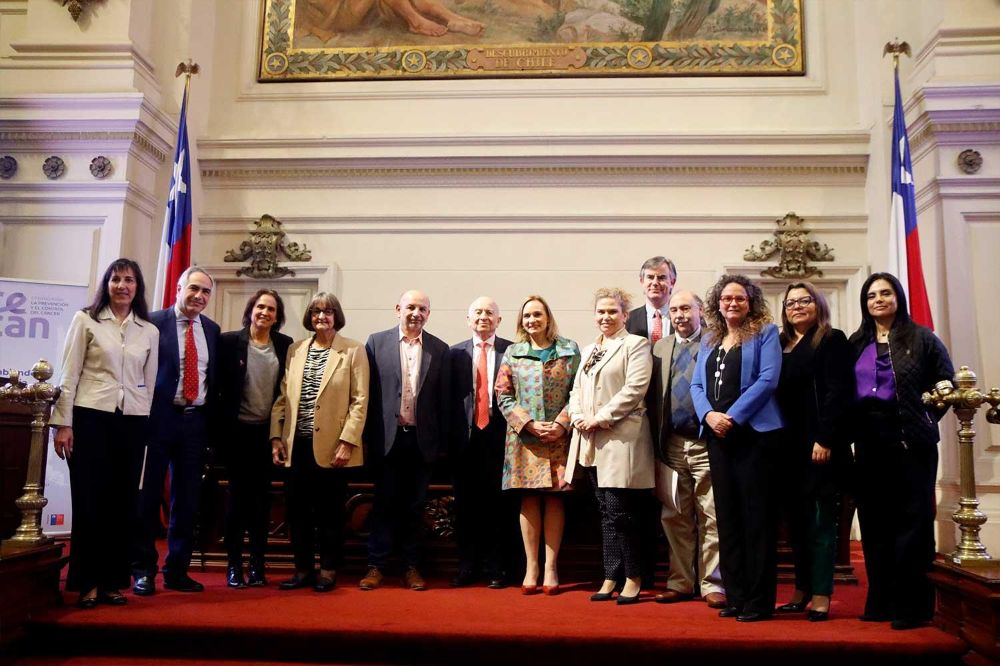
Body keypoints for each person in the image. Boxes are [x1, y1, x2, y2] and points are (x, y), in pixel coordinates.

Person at [51, 258, 158, 608]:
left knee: (122, 504)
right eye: (116, 279)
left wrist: (146, 421)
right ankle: (87, 582)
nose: (122, 286)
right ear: (106, 284)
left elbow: (150, 382)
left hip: (132, 422)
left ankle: (113, 581)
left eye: (129, 280)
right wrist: (63, 423)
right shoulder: (86, 320)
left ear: (138, 287)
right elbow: (69, 374)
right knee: (90, 502)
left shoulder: (149, 330)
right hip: (90, 417)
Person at [849, 272, 953, 630]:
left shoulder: (922, 338)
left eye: (886, 293)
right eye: (872, 295)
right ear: (865, 303)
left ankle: (913, 607)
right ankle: (880, 602)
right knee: (876, 523)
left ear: (898, 298)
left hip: (911, 441)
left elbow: (947, 384)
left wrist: (926, 417)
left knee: (912, 522)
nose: (878, 299)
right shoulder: (857, 342)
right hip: (868, 441)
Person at [690, 274, 783, 622]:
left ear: (750, 302)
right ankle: (736, 596)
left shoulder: (765, 332)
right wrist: (710, 416)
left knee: (755, 521)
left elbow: (768, 380)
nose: (732, 303)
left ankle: (758, 603)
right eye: (727, 298)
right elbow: (697, 384)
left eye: (740, 298)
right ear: (717, 303)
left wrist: (732, 416)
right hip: (719, 438)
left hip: (755, 437)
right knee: (727, 519)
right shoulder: (710, 337)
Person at [270, 292, 369, 592]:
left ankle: (327, 569)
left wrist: (347, 441)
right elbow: (282, 397)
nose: (321, 317)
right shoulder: (296, 350)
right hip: (296, 446)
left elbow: (360, 400)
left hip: (333, 447)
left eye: (327, 312)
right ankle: (302, 570)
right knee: (297, 512)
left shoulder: (353, 350)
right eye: (315, 312)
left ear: (336, 315)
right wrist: (277, 435)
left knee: (330, 513)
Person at [132, 266, 220, 596]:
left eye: (206, 292)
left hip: (195, 422)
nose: (199, 296)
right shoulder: (152, 323)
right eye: (194, 288)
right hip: (158, 419)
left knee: (187, 500)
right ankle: (142, 569)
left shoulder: (211, 330)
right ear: (179, 288)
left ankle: (177, 570)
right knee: (148, 496)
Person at [567, 288, 654, 605]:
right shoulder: (590, 349)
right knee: (605, 512)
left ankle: (634, 575)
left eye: (612, 312)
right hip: (590, 440)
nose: (606, 317)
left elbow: (634, 390)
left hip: (620, 438)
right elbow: (577, 389)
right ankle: (610, 574)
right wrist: (577, 415)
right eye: (601, 312)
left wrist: (600, 418)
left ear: (625, 315)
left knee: (622, 513)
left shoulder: (635, 344)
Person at [774, 282, 854, 622]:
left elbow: (839, 392)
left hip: (819, 447)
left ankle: (822, 593)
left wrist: (826, 439)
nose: (797, 307)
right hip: (785, 449)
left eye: (804, 300)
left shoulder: (831, 339)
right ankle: (801, 589)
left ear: (817, 304)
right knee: (796, 526)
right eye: (791, 302)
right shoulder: (778, 344)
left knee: (821, 525)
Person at [360, 290, 449, 591]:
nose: (416, 313)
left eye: (422, 308)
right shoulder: (376, 342)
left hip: (422, 443)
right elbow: (367, 394)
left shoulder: (440, 349)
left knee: (414, 508)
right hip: (387, 440)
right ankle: (376, 566)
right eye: (410, 307)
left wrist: (441, 445)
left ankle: (411, 568)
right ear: (398, 308)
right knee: (383, 505)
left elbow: (444, 401)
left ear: (428, 314)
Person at [495, 295, 580, 595]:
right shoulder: (512, 353)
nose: (532, 320)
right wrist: (528, 423)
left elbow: (578, 391)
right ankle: (532, 566)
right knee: (529, 499)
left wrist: (561, 424)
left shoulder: (569, 350)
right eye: (527, 315)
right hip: (525, 439)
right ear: (521, 321)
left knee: (555, 499)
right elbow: (503, 394)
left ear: (548, 317)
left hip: (559, 436)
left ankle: (551, 568)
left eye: (538, 314)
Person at [649, 289, 726, 609]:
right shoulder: (661, 347)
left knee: (711, 516)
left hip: (706, 442)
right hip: (672, 443)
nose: (680, 315)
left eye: (686, 309)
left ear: (700, 312)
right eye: (675, 310)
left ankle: (713, 583)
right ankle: (680, 581)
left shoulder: (716, 342)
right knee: (675, 516)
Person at [217, 289, 293, 588]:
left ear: (278, 316)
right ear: (251, 309)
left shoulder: (285, 345)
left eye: (271, 309)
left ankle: (258, 565)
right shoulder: (228, 342)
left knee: (261, 504)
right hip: (237, 434)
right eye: (261, 307)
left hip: (268, 435)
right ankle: (234, 566)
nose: (265, 313)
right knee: (237, 502)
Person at [447, 296, 515, 589]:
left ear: (499, 320)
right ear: (468, 319)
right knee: (466, 507)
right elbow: (446, 401)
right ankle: (466, 566)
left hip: (501, 439)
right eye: (477, 312)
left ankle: (497, 568)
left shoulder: (512, 351)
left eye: (490, 312)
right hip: (465, 440)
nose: (483, 316)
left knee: (500, 507)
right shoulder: (453, 354)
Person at [626, 256, 676, 344]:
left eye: (661, 278)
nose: (655, 283)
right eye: (650, 277)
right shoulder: (628, 319)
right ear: (642, 281)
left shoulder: (686, 318)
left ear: (672, 282)